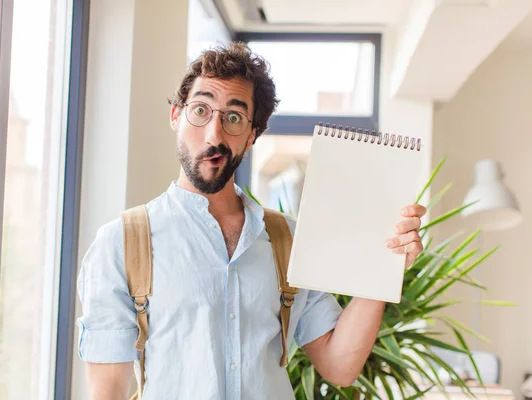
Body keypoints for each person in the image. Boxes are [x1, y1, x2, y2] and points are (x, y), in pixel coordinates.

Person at [76, 42, 426, 400]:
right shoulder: (121, 243)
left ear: (252, 135)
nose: (214, 135)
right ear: (175, 116)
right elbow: (108, 393)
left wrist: (384, 265)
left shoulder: (289, 240)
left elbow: (340, 367)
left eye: (233, 118)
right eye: (200, 110)